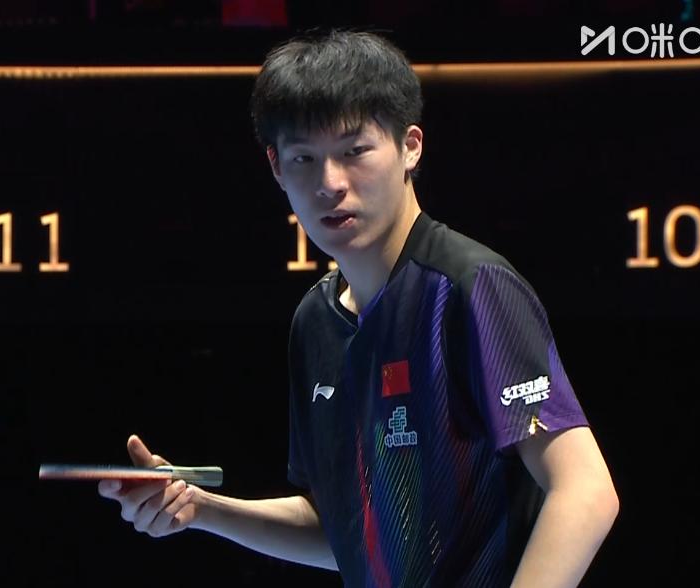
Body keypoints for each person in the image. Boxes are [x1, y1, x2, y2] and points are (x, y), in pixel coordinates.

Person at [98, 30, 619, 587]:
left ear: (410, 146)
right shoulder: (315, 322)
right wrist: (199, 508)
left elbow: (585, 490)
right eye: (304, 158)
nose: (331, 184)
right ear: (276, 166)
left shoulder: (470, 287)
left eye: (354, 151)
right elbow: (342, 534)